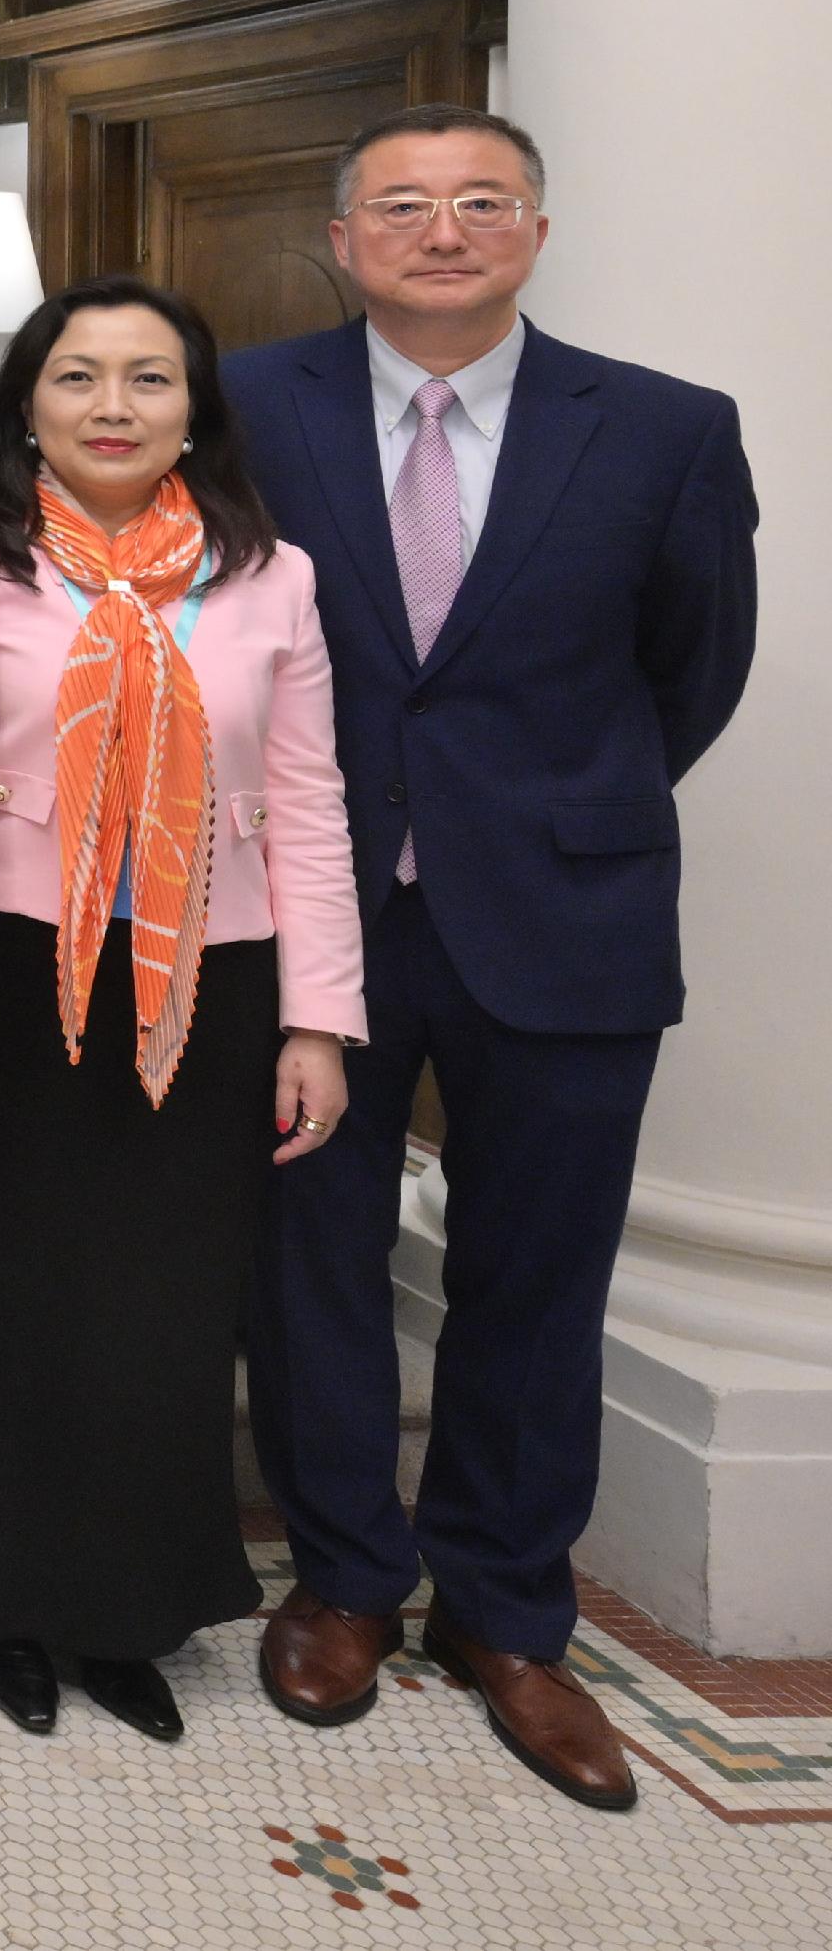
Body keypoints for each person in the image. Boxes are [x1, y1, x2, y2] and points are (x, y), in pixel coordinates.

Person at [229, 104, 756, 1812]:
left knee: (540, 1273)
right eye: (402, 204)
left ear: (535, 229)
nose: (441, 230)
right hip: (318, 918)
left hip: (565, 909)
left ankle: (511, 1611)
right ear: (342, 235)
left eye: (480, 203)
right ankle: (347, 1578)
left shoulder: (666, 430)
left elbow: (694, 665)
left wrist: (540, 813)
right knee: (313, 1255)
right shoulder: (246, 406)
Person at [0, 278, 362, 1745]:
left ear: (196, 408)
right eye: (79, 376)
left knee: (162, 1303)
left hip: (209, 976)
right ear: (28, 401)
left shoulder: (273, 575)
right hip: (9, 970)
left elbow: (308, 802)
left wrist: (318, 1015)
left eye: (149, 378)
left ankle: (126, 1605)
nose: (113, 405)